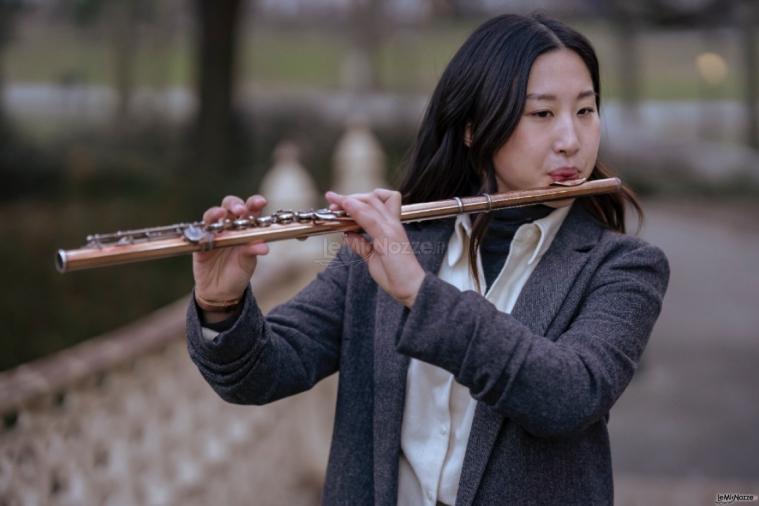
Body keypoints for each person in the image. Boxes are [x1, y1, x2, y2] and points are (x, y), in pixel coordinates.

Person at [186, 13, 669, 506]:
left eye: (585, 111)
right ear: (473, 130)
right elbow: (262, 372)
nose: (571, 139)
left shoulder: (623, 268)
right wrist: (220, 305)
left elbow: (568, 395)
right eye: (542, 114)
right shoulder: (398, 243)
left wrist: (419, 292)